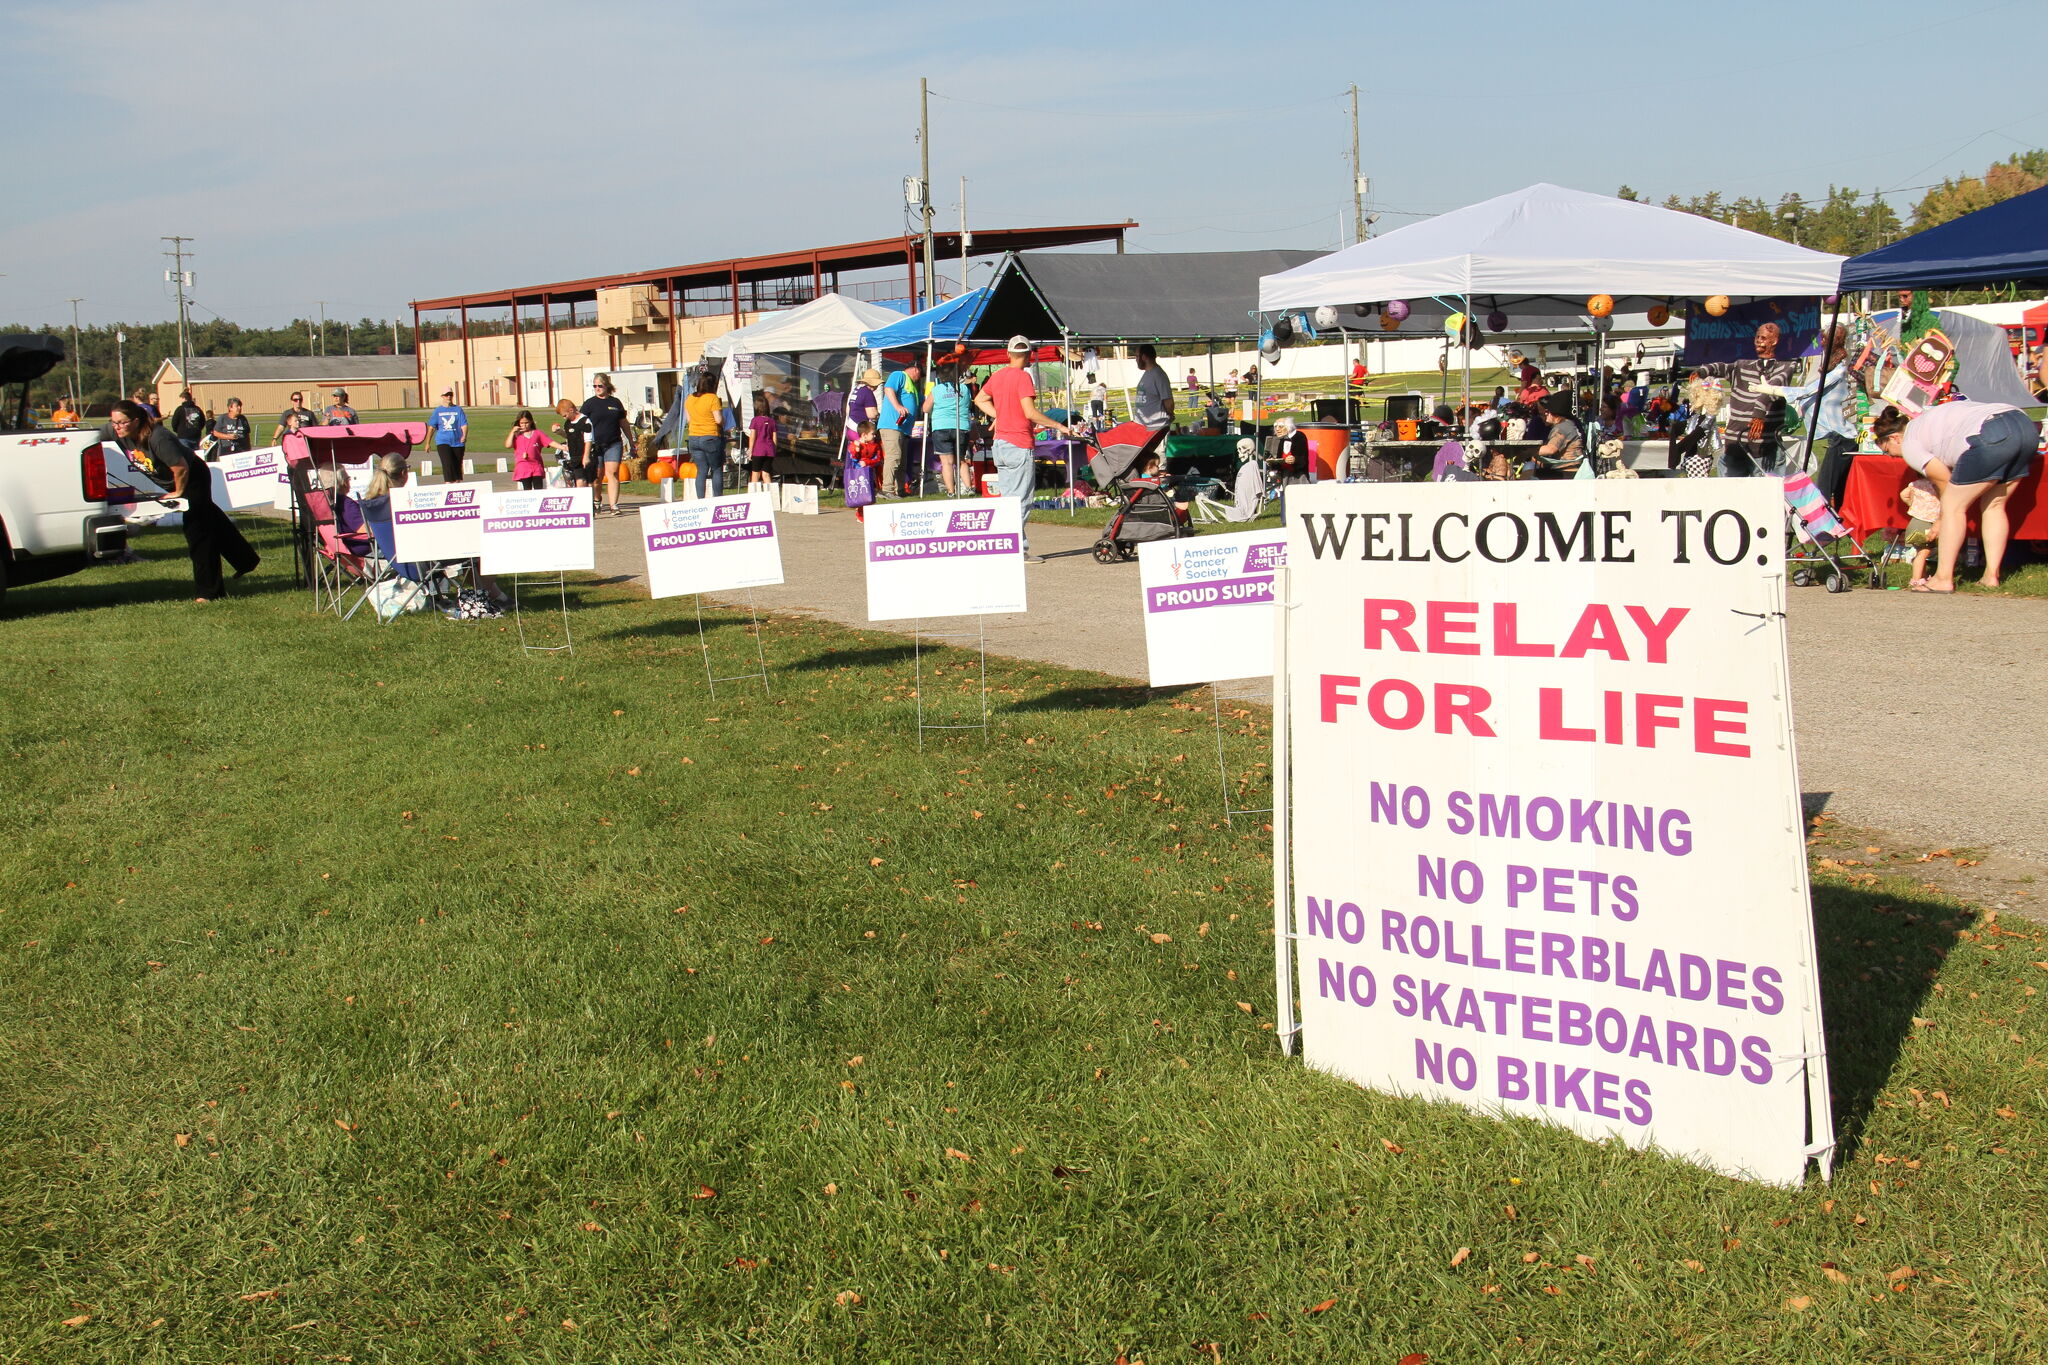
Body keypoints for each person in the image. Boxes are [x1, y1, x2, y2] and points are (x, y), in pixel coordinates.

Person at [1875, 401, 2039, 592]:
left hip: (1992, 432)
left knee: (1953, 507)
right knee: (1994, 505)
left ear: (1895, 438)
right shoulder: (1925, 420)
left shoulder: (1910, 445)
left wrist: (1939, 520)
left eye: (1886, 450)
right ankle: (1990, 576)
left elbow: (1945, 481)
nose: (1890, 457)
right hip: (2025, 426)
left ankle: (1943, 579)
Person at [106, 399, 258, 602]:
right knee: (214, 521)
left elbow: (180, 467)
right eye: (113, 423)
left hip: (193, 477)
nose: (116, 427)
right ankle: (246, 560)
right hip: (177, 479)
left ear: (136, 421)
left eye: (121, 423)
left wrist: (178, 492)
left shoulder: (157, 437)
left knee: (198, 532)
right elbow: (91, 436)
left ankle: (209, 592)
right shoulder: (118, 432)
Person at [973, 334, 1070, 564]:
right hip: (1018, 443)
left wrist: (1001, 415)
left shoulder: (998, 376)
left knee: (1008, 498)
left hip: (1001, 444)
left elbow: (980, 399)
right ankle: (1014, 548)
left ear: (1008, 354)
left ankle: (1014, 546)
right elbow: (1029, 412)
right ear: (1028, 356)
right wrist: (1058, 425)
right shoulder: (1023, 377)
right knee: (1022, 500)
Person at [1690, 321, 1798, 476]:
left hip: (1765, 447)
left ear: (1774, 341)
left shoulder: (1786, 367)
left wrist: (1758, 414)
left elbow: (1772, 387)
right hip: (1736, 443)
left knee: (1767, 495)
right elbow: (1722, 367)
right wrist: (1702, 371)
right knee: (1732, 495)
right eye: (1757, 337)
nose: (1758, 341)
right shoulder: (1742, 365)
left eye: (1763, 338)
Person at [1772, 325, 1861, 507]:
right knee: (1838, 489)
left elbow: (1808, 391)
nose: (1821, 342)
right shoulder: (1831, 368)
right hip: (1837, 439)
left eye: (1824, 339)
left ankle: (1822, 526)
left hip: (1842, 439)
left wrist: (1773, 389)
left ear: (1834, 341)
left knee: (1825, 488)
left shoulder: (1838, 372)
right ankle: (1836, 525)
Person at [581, 374, 630, 515]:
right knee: (597, 476)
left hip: (613, 443)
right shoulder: (589, 404)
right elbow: (581, 423)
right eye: (595, 386)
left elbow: (623, 423)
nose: (597, 388)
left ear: (607, 386)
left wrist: (631, 440)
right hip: (595, 445)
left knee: (613, 473)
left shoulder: (616, 403)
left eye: (600, 386)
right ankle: (597, 500)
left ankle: (614, 505)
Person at [923, 361, 973, 496]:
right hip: (960, 426)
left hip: (941, 427)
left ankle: (951, 491)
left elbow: (925, 408)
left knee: (947, 463)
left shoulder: (936, 389)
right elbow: (968, 405)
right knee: (961, 460)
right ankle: (969, 488)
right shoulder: (964, 389)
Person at [879, 361, 922, 498]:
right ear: (915, 370)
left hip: (904, 429)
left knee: (902, 461)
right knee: (893, 457)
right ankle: (887, 489)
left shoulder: (913, 387)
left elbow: (924, 401)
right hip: (892, 425)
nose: (920, 377)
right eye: (921, 373)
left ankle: (900, 489)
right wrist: (898, 407)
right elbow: (888, 389)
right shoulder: (898, 375)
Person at [683, 371, 727, 500]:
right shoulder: (712, 398)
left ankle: (700, 500)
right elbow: (718, 420)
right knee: (716, 468)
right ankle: (718, 499)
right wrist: (724, 421)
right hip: (710, 436)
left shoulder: (690, 399)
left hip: (694, 437)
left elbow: (689, 420)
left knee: (701, 470)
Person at [1899, 476, 1941, 590]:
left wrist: (1912, 505)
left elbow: (1903, 494)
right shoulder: (1936, 485)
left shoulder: (1915, 484)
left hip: (1915, 521)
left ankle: (1922, 576)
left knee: (1920, 552)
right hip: (1928, 522)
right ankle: (1916, 580)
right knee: (1924, 553)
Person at [1531, 394, 1586, 479]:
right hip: (1569, 469)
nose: (1545, 414)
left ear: (1555, 414)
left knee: (1529, 471)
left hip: (1567, 471)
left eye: (1547, 412)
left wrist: (1527, 451)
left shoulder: (1562, 427)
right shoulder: (1568, 424)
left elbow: (1551, 449)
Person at [505, 409, 555, 490]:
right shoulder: (517, 435)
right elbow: (508, 445)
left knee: (538, 488)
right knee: (527, 488)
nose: (524, 425)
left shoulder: (537, 433)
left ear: (531, 422)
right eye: (521, 423)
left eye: (526, 423)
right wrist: (512, 432)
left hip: (536, 466)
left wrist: (563, 447)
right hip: (523, 466)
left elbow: (550, 442)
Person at [428, 388, 469, 482]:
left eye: (450, 394)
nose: (449, 397)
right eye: (446, 395)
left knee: (457, 464)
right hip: (443, 441)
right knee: (447, 463)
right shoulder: (438, 411)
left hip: (457, 441)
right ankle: (448, 483)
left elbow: (464, 424)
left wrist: (464, 436)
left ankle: (457, 482)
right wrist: (428, 443)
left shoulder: (458, 409)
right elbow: (432, 427)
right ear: (442, 396)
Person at [1132, 344, 1174, 432]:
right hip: (1144, 427)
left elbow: (1169, 403)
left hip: (1156, 428)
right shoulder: (1148, 373)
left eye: (1136, 356)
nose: (1135, 359)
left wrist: (1168, 416)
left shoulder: (1158, 375)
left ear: (1143, 357)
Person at [551, 397, 592, 487]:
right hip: (574, 456)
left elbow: (588, 440)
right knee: (579, 480)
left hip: (585, 454)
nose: (564, 418)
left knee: (587, 481)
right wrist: (559, 432)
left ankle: (591, 500)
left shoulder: (585, 421)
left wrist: (586, 456)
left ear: (571, 410)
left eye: (565, 415)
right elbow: (569, 436)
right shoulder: (568, 423)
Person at [746, 394, 779, 491]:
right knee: (766, 474)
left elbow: (753, 436)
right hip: (769, 450)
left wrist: (750, 449)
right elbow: (774, 438)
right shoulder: (772, 421)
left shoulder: (755, 420)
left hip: (758, 450)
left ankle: (753, 496)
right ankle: (771, 496)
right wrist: (774, 449)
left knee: (755, 473)